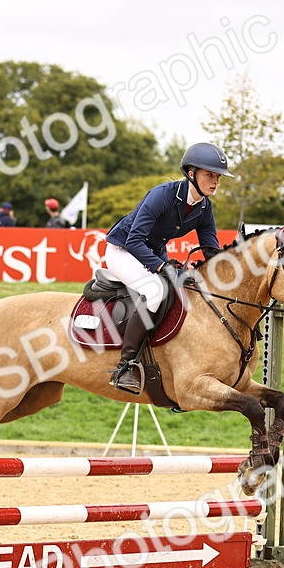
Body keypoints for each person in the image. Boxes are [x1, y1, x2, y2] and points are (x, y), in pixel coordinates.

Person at [102, 141, 227, 393]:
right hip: (122, 250)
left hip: (152, 252)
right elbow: (134, 240)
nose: (215, 181)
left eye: (218, 177)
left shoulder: (205, 207)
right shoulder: (163, 195)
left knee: (184, 290)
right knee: (154, 291)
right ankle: (125, 367)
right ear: (191, 173)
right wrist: (162, 267)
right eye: (209, 175)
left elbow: (210, 250)